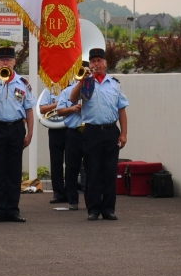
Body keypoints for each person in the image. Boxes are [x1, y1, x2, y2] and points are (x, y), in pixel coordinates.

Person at [64, 46, 129, 221]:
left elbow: (122, 110)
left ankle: (108, 209)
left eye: (99, 61)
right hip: (91, 131)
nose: (96, 64)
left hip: (110, 131)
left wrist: (123, 134)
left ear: (105, 63)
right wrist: (81, 80)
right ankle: (93, 209)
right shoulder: (86, 82)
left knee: (109, 172)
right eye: (93, 61)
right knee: (92, 171)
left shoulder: (114, 84)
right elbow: (72, 99)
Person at [0, 46, 35, 222]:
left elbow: (29, 110)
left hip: (16, 128)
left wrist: (30, 133)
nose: (5, 63)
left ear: (14, 62)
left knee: (14, 170)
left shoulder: (23, 83)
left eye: (8, 60)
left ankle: (12, 209)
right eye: (2, 60)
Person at [55, 65, 88, 211]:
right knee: (71, 168)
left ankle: (90, 200)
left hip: (89, 132)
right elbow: (60, 111)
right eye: (82, 72)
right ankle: (73, 200)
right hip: (74, 132)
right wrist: (72, 109)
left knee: (90, 168)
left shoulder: (95, 89)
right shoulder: (67, 91)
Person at [40, 85, 69, 204]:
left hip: (70, 127)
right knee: (56, 162)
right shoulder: (49, 89)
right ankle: (58, 193)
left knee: (71, 162)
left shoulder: (73, 88)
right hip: (55, 128)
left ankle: (70, 192)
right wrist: (59, 105)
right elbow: (42, 109)